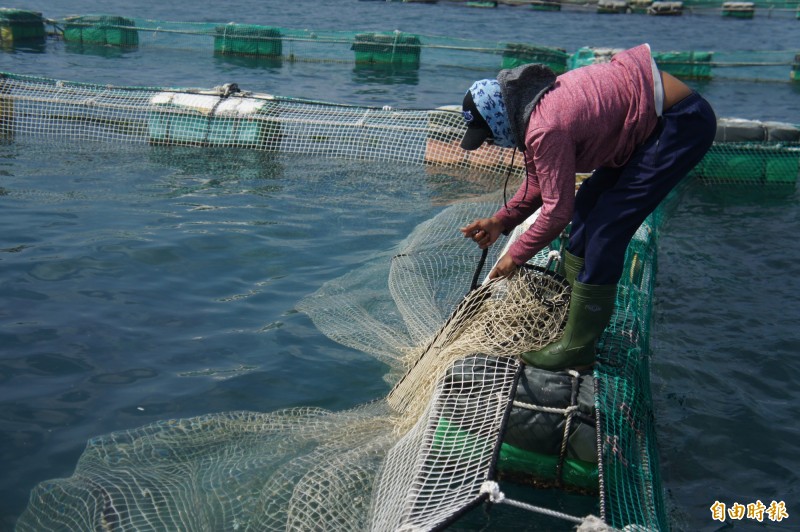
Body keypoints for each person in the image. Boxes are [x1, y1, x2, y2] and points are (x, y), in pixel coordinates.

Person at [458, 44, 716, 371]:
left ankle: (578, 345)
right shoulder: (530, 112)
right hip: (645, 124)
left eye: (489, 135)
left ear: (500, 119)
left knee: (608, 225)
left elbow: (555, 212)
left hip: (678, 123)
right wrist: (500, 220)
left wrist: (516, 254)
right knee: (588, 202)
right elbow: (541, 183)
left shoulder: (544, 127)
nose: (493, 142)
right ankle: (570, 307)